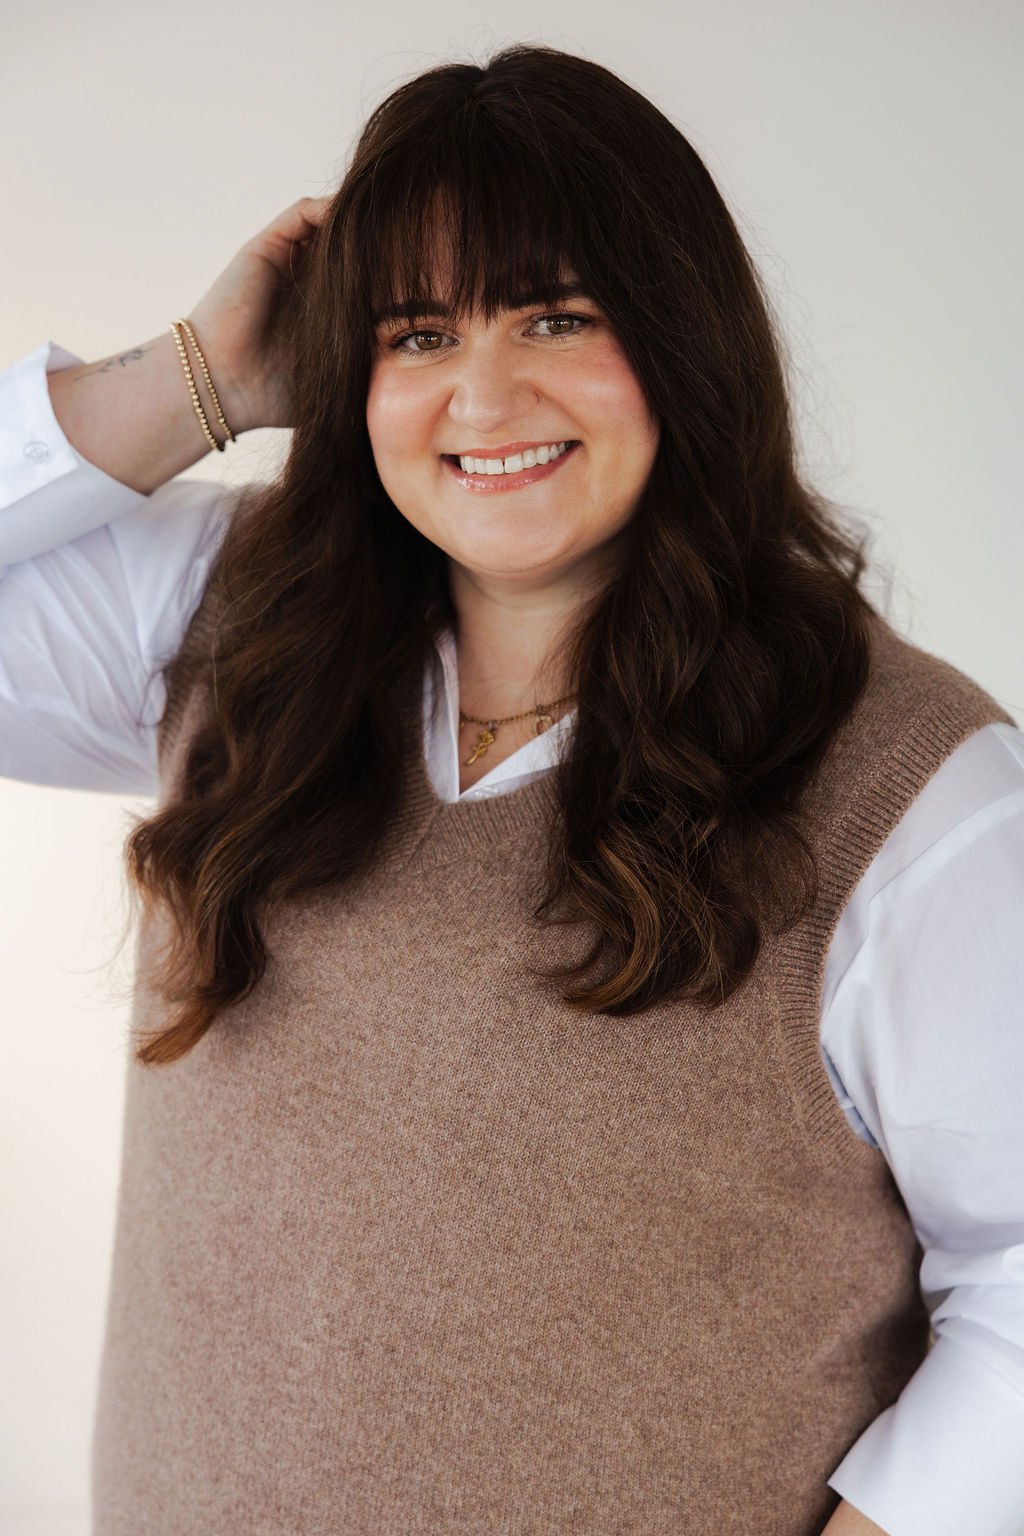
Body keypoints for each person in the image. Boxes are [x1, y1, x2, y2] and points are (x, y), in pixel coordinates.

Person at [2, 42, 1022, 1536]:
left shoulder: (906, 783)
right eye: (416, 333)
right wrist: (201, 379)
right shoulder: (237, 637)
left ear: (679, 342)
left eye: (558, 314)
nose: (484, 395)